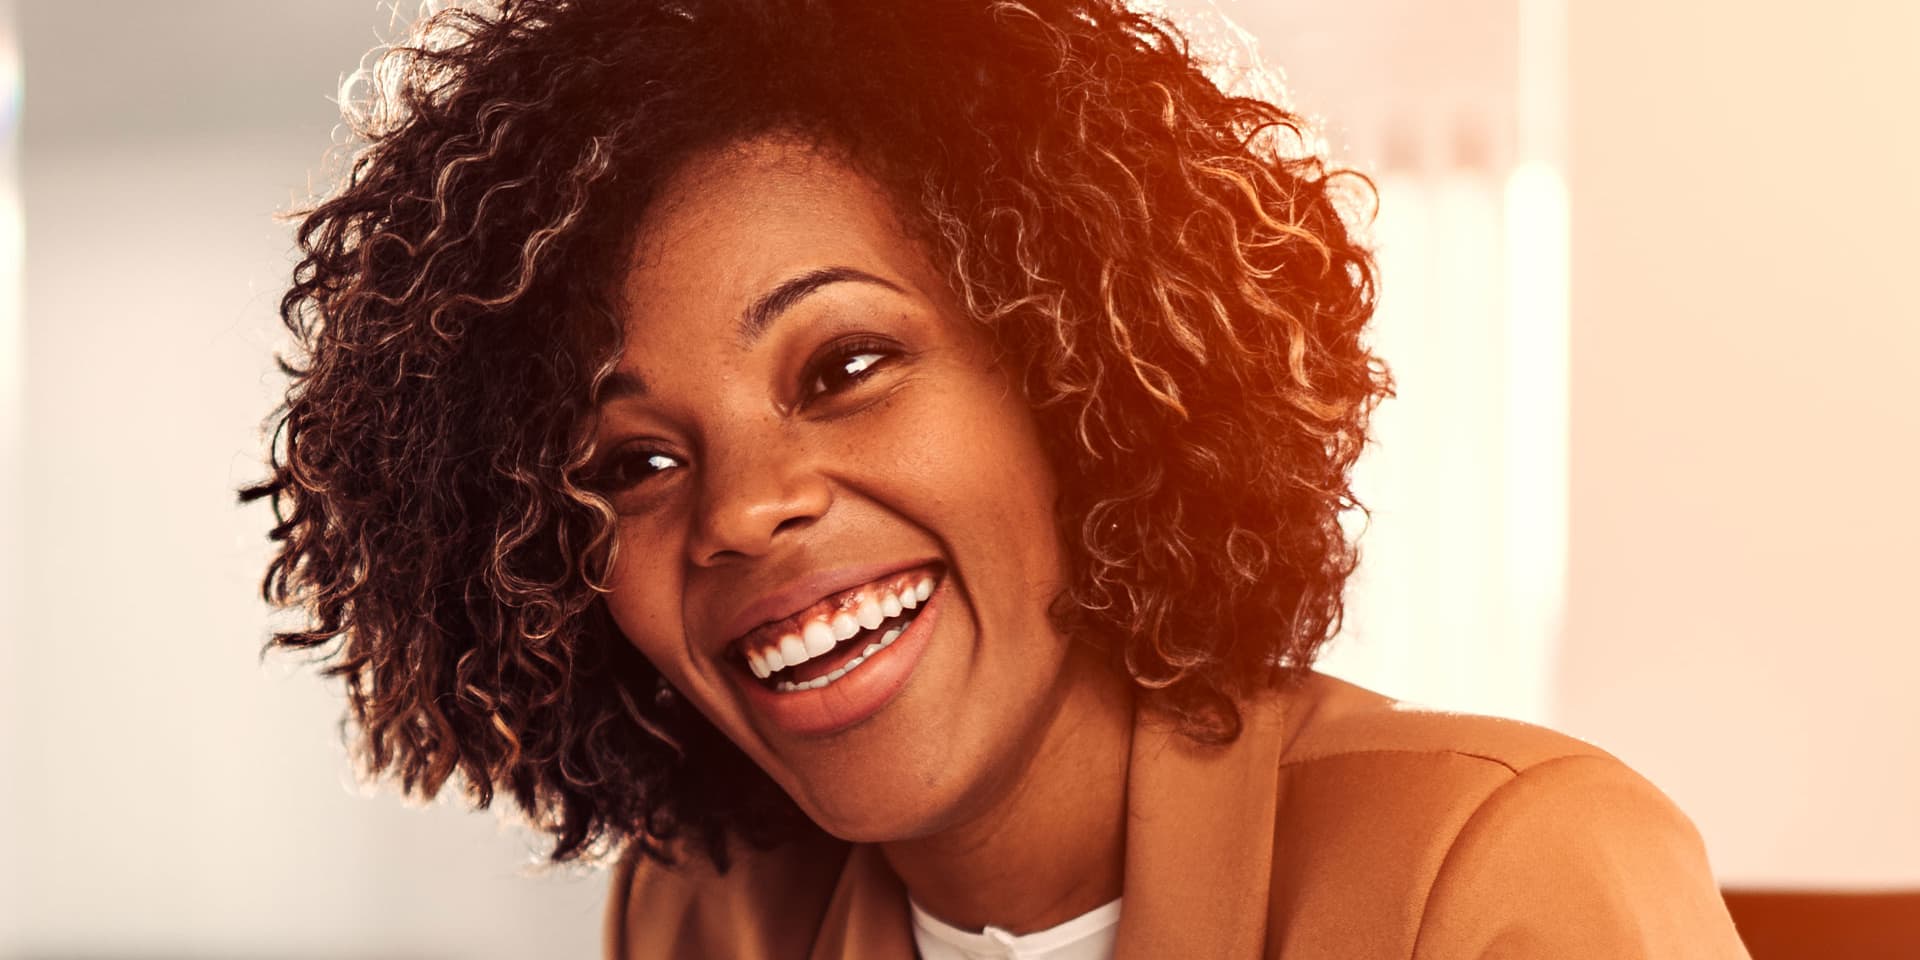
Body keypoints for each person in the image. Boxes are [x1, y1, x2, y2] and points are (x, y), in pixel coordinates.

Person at [243, 0, 1753, 956]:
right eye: (635, 462)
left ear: (1078, 379)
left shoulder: (1500, 871)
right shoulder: (706, 913)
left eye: (844, 367)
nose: (744, 509)